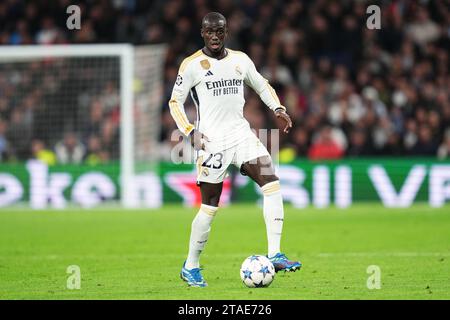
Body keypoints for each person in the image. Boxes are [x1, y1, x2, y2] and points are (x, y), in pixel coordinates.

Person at [168, 12, 301, 287]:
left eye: (219, 31)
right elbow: (174, 102)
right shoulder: (191, 65)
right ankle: (190, 266)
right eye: (209, 31)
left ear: (225, 32)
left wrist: (277, 107)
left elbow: (261, 84)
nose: (214, 36)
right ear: (202, 33)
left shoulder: (240, 60)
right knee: (209, 206)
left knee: (271, 183)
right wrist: (189, 132)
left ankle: (275, 252)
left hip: (241, 135)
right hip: (212, 143)